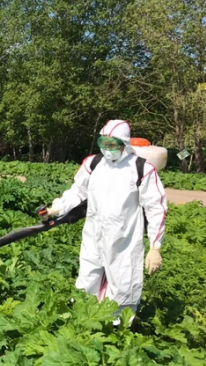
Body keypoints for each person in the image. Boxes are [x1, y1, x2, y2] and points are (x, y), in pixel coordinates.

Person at [40, 119, 167, 326]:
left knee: (123, 283)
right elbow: (77, 192)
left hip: (123, 239)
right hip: (93, 234)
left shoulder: (141, 169)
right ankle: (82, 322)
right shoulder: (93, 163)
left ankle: (116, 330)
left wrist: (155, 246)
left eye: (112, 145)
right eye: (103, 143)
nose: (107, 150)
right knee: (87, 278)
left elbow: (156, 208)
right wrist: (57, 208)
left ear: (124, 143)